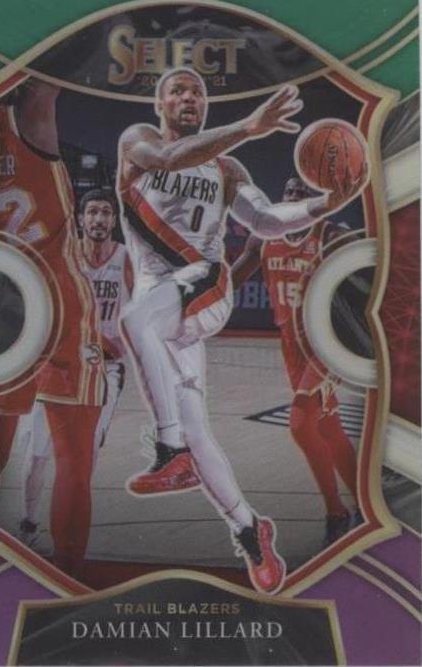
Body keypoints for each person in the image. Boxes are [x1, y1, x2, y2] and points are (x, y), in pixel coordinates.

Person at [117, 67, 364, 593]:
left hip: (205, 284)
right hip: (164, 305)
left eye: (198, 92)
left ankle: (169, 452)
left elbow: (268, 221)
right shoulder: (137, 142)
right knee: (198, 429)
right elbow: (167, 159)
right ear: (160, 103)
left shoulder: (227, 169)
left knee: (135, 320)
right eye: (179, 90)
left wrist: (326, 203)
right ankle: (251, 531)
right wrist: (249, 127)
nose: (190, 97)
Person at [0, 79, 106, 579]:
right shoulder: (26, 121)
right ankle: (69, 575)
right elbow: (44, 84)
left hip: (0, 316)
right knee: (73, 463)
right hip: (58, 309)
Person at [232, 175, 360, 546]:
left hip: (326, 343)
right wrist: (200, 303)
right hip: (292, 344)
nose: (293, 197)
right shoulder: (264, 236)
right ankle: (367, 505)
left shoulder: (331, 236)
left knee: (301, 424)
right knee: (329, 428)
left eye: (302, 193)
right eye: (288, 191)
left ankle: (336, 512)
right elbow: (234, 278)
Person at [18, 187, 132, 547]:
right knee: (37, 453)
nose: (99, 219)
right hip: (61, 366)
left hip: (105, 371)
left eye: (105, 212)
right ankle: (29, 522)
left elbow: (140, 315)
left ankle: (68, 527)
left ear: (114, 220)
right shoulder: (65, 257)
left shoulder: (126, 260)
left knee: (86, 457)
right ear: (81, 218)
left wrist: (123, 342)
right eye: (92, 212)